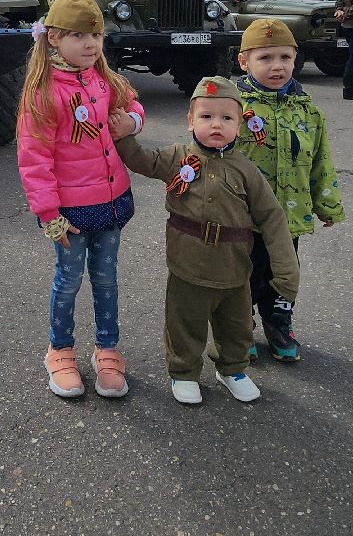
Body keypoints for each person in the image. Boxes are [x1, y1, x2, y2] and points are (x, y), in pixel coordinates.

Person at [115, 77, 299, 405]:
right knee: (184, 323)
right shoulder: (177, 157)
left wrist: (286, 270)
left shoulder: (247, 170)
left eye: (227, 118)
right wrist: (123, 135)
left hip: (234, 270)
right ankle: (184, 372)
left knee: (236, 326)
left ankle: (232, 370)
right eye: (206, 116)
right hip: (187, 267)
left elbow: (272, 217)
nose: (216, 124)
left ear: (239, 125)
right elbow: (142, 160)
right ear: (190, 121)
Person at [16, 0, 144, 400]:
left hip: (111, 203)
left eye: (96, 35)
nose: (90, 44)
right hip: (69, 213)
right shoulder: (42, 91)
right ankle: (60, 350)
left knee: (106, 279)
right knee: (69, 280)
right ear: (53, 37)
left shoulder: (104, 79)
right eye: (78, 35)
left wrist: (132, 123)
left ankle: (107, 348)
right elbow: (34, 158)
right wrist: (47, 213)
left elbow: (134, 106)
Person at [231, 19, 345, 364]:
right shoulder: (233, 107)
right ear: (244, 62)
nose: (277, 66)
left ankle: (278, 323)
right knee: (241, 276)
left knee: (283, 276)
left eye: (285, 57)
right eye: (265, 58)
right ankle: (238, 327)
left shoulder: (308, 111)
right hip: (243, 217)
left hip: (288, 215)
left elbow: (321, 161)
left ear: (296, 60)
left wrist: (327, 205)